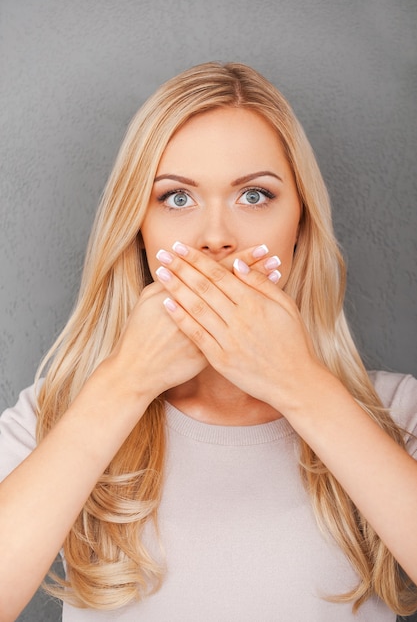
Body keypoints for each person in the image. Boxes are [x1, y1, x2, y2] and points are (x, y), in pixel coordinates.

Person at [0, 62, 416, 622]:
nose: (215, 238)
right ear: (138, 231)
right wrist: (123, 385)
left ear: (302, 225)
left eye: (254, 196)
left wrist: (302, 388)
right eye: (176, 199)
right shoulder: (55, 412)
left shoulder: (398, 414)